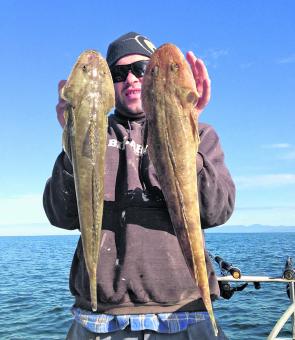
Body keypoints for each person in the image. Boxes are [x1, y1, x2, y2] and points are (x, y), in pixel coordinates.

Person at [43, 32, 235, 339]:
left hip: (185, 313)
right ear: (109, 85)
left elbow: (217, 211)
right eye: (118, 73)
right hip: (100, 320)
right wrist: (72, 142)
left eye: (142, 70)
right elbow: (60, 215)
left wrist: (184, 132)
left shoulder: (201, 133)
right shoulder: (90, 134)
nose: (131, 79)